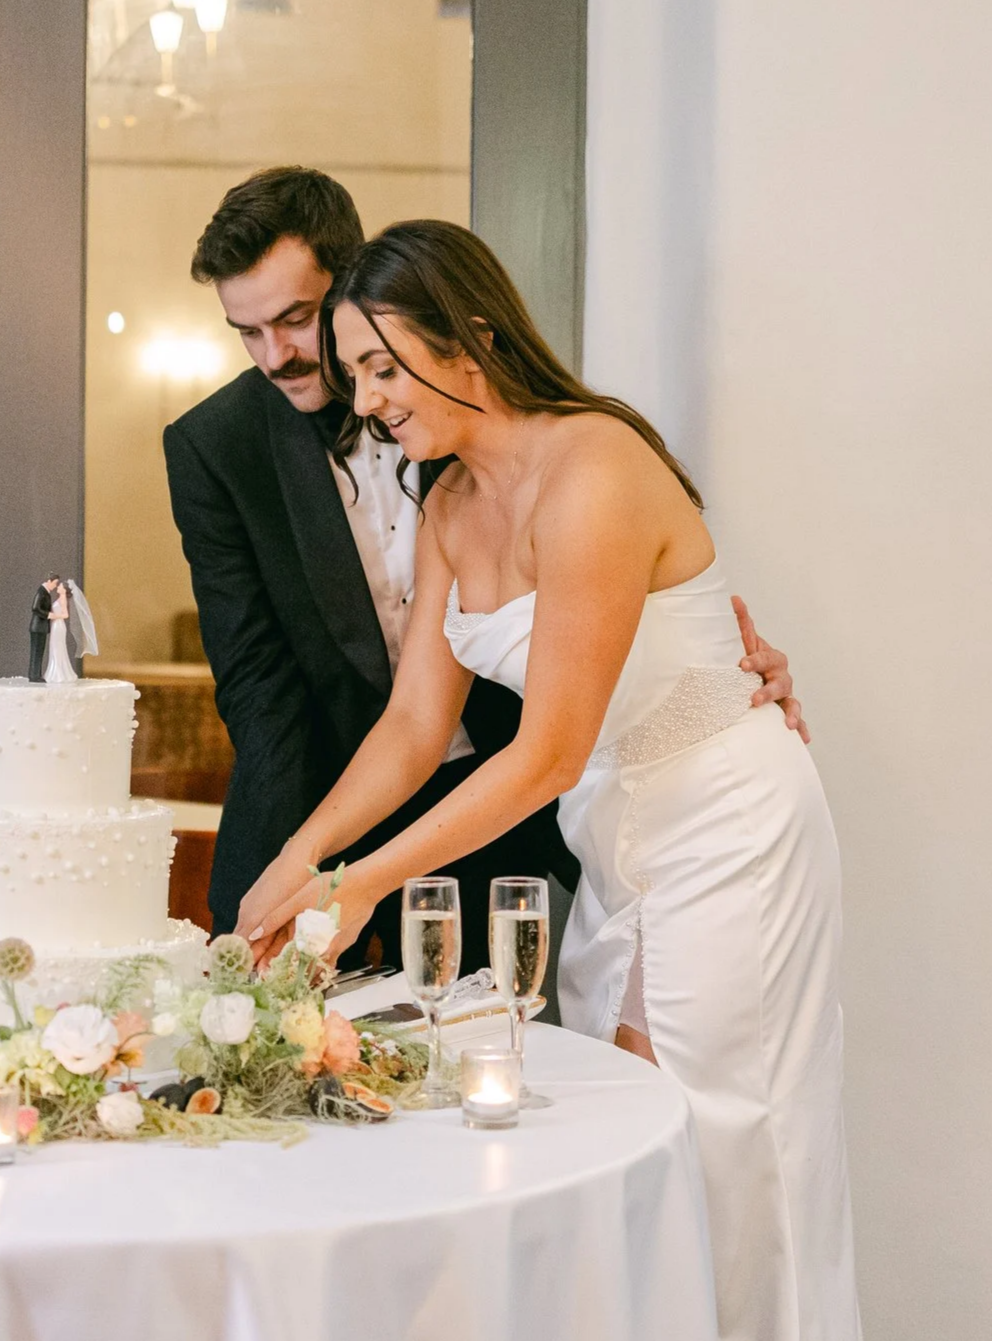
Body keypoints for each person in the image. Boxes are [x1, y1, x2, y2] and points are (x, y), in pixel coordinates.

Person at [239, 219, 868, 1341]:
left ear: (468, 338)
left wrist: (363, 883)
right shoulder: (443, 506)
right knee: (632, 1131)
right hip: (614, 842)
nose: (367, 403)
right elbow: (412, 730)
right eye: (356, 374)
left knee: (731, 1149)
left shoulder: (597, 466)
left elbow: (546, 751)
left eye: (381, 367)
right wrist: (302, 852)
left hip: (727, 825)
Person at [163, 166, 804, 973]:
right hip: (387, 792)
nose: (279, 356)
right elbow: (345, 707)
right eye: (247, 332)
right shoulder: (420, 485)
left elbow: (597, 680)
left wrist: (719, 678)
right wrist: (303, 859)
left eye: (297, 321)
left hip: (593, 802)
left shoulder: (550, 451)